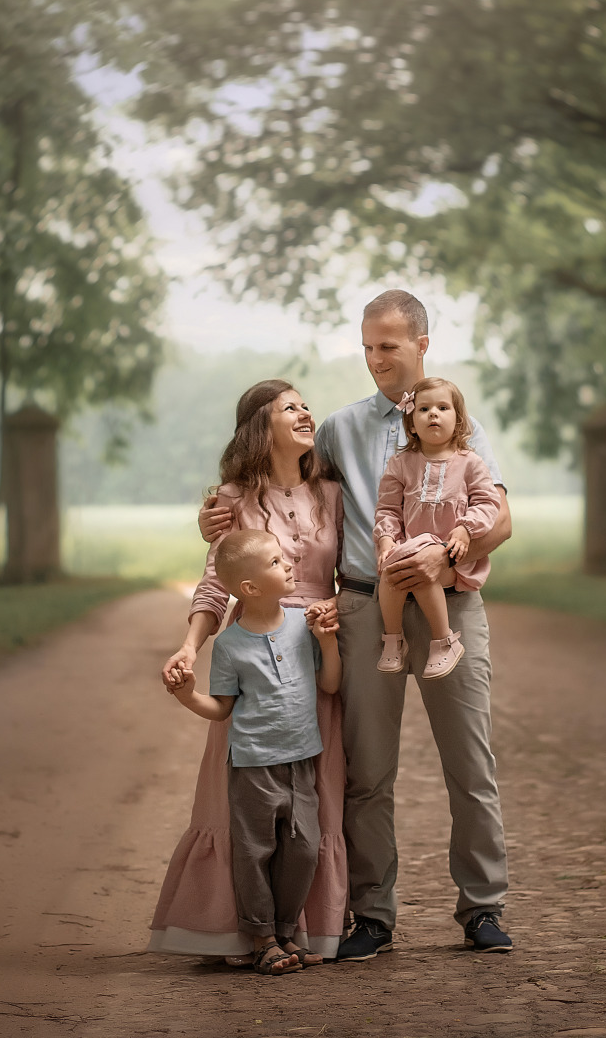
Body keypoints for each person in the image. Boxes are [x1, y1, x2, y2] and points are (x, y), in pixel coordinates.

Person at [200, 290, 516, 959]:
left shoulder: (460, 427)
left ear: (422, 345)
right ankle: (373, 915)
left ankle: (482, 908)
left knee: (471, 764)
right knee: (369, 772)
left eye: (389, 346)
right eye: (367, 346)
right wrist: (216, 513)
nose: (375, 359)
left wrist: (453, 544)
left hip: (448, 602)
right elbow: (281, 485)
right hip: (366, 606)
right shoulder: (341, 429)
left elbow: (500, 518)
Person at [148, 380, 347, 966]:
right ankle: (241, 932)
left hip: (315, 647)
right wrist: (189, 646)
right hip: (255, 652)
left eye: (306, 404)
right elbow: (215, 579)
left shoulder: (332, 494)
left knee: (318, 802)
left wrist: (339, 620)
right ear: (261, 428)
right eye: (291, 407)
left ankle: (306, 928)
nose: (306, 412)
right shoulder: (232, 499)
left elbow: (355, 568)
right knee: (246, 802)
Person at [166, 529, 343, 975]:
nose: (289, 566)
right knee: (254, 852)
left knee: (302, 850)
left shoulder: (304, 625)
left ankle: (286, 933)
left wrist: (326, 641)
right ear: (249, 589)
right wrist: (188, 696)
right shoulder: (228, 646)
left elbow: (331, 684)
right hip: (251, 766)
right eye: (277, 562)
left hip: (302, 760)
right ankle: (262, 938)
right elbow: (220, 707)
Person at [374, 377, 502, 680]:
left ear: (458, 420)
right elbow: (388, 509)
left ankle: (444, 641)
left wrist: (465, 529)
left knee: (423, 567)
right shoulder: (401, 464)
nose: (433, 413)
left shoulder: (470, 463)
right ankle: (393, 639)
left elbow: (487, 503)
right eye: (424, 408)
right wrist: (386, 540)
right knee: (391, 571)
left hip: (450, 556)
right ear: (412, 423)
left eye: (443, 407)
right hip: (410, 547)